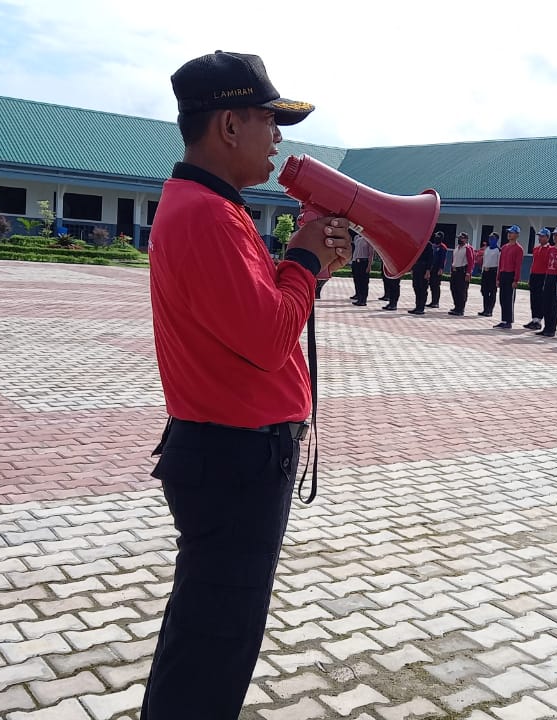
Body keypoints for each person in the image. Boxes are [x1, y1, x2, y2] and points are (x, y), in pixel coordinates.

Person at [143, 50, 350, 720]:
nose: (278, 137)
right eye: (269, 120)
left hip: (229, 453)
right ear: (229, 125)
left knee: (209, 635)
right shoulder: (207, 214)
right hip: (235, 458)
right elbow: (267, 339)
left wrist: (301, 263)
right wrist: (307, 260)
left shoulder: (209, 207)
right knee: (214, 646)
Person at [495, 226, 524, 329]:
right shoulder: (504, 247)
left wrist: (516, 279)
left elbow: (518, 265)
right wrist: (498, 278)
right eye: (509, 232)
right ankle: (503, 319)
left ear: (517, 235)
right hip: (503, 274)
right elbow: (500, 263)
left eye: (512, 233)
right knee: (502, 298)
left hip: (511, 275)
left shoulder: (519, 249)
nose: (509, 234)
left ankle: (509, 320)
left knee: (509, 298)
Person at [408, 234, 436, 314]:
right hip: (416, 267)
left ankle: (421, 307)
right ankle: (417, 306)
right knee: (416, 287)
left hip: (424, 268)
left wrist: (428, 271)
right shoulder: (417, 244)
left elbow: (430, 259)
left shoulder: (428, 245)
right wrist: (412, 268)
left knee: (423, 288)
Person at [448, 232, 475, 316]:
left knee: (461, 290)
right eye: (459, 238)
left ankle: (460, 308)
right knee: (453, 289)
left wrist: (468, 273)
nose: (460, 240)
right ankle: (456, 306)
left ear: (466, 239)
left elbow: (471, 262)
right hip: (455, 271)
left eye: (462, 238)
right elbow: (453, 260)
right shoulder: (456, 248)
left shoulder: (467, 248)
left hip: (462, 271)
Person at [349, 232, 373, 306]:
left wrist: (369, 265)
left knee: (364, 282)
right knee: (357, 281)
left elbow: (371, 253)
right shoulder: (357, 238)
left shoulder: (368, 239)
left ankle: (363, 299)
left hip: (364, 262)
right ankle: (359, 298)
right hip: (356, 261)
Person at [478, 234, 500, 316]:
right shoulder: (487, 249)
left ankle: (490, 310)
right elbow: (484, 261)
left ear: (497, 240)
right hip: (485, 271)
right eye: (490, 238)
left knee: (492, 291)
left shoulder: (498, 250)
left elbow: (499, 264)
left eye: (493, 239)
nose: (491, 240)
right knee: (484, 291)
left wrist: (498, 277)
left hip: (493, 272)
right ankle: (485, 309)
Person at [428, 232, 447, 308]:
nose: (436, 238)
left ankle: (436, 302)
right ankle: (432, 301)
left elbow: (443, 259)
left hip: (437, 269)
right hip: (431, 268)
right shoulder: (433, 246)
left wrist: (441, 268)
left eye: (438, 237)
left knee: (436, 285)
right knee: (432, 285)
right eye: (435, 236)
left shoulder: (443, 247)